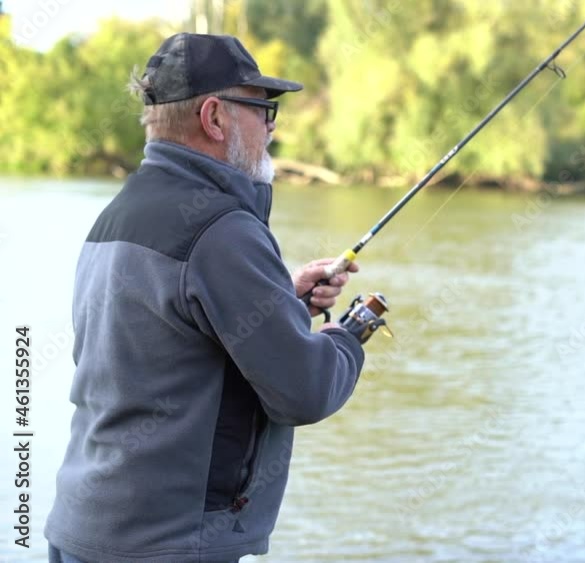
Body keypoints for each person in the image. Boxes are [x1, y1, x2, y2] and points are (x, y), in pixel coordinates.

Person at [44, 33, 366, 563]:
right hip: (168, 544)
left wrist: (281, 300)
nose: (271, 127)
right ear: (215, 118)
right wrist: (344, 336)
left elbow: (164, 338)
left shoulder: (117, 214)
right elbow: (304, 391)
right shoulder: (223, 229)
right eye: (263, 109)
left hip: (84, 529)